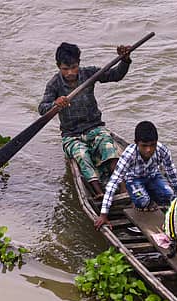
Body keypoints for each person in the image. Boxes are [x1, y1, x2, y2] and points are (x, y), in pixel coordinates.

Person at [38, 42, 132, 199]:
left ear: (79, 64)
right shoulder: (54, 84)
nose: (70, 73)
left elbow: (115, 75)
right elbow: (42, 109)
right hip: (72, 134)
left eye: (73, 67)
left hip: (95, 127)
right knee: (81, 155)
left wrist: (125, 60)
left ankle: (123, 189)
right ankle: (99, 193)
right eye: (65, 69)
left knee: (109, 147)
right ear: (58, 66)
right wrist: (56, 103)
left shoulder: (89, 74)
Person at [93, 121, 177, 229]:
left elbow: (172, 174)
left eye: (152, 145)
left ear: (156, 142)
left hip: (153, 176)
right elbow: (113, 182)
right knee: (143, 201)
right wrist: (103, 214)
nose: (148, 150)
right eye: (144, 146)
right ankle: (141, 200)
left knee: (170, 196)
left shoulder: (162, 150)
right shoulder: (129, 155)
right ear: (136, 143)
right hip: (134, 180)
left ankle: (150, 196)